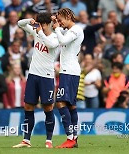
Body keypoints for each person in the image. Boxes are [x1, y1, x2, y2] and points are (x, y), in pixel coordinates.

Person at [12, 12, 59, 148]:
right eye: (41, 24)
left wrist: (40, 33)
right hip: (33, 75)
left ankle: (49, 140)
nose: (42, 27)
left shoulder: (56, 37)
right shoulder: (37, 31)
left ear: (49, 24)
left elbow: (50, 45)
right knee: (28, 106)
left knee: (48, 107)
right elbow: (20, 24)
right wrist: (30, 20)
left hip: (47, 77)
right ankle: (26, 140)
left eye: (44, 24)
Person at [52, 8, 84, 148]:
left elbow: (62, 38)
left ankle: (70, 138)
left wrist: (57, 28)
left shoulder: (76, 30)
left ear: (69, 16)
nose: (59, 23)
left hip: (69, 71)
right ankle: (74, 138)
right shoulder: (68, 30)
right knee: (71, 104)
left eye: (61, 20)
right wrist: (55, 24)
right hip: (69, 71)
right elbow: (58, 35)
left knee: (60, 102)